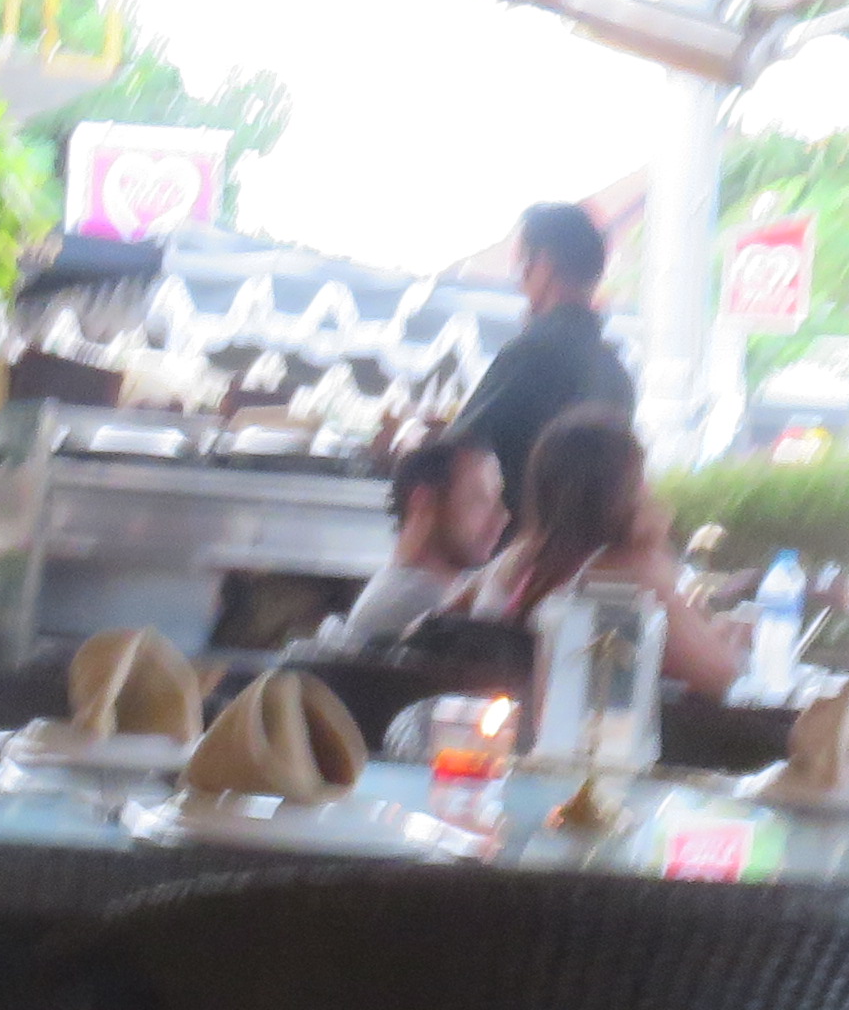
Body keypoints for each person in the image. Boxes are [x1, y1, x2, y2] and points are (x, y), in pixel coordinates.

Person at [456, 410, 744, 698]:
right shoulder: (626, 570)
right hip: (580, 725)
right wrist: (732, 635)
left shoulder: (512, 561)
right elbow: (719, 674)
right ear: (626, 488)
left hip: (499, 716)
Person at [445, 203, 636, 506]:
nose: (520, 282)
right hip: (584, 537)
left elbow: (454, 458)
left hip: (518, 534)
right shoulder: (617, 378)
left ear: (544, 265)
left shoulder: (531, 354)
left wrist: (415, 437)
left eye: (522, 264)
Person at [318, 434, 507, 646]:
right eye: (479, 499)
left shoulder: (429, 591)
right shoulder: (414, 603)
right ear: (423, 501)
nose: (502, 516)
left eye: (497, 500)